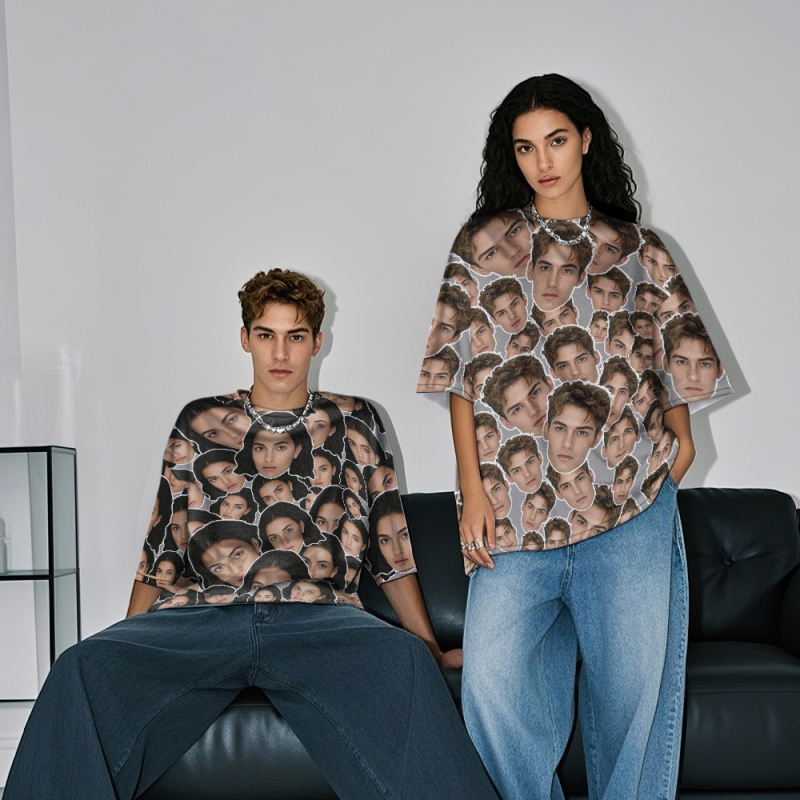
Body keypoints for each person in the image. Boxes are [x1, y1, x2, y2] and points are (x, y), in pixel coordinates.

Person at [5, 268, 497, 800]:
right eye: (266, 335)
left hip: (318, 618)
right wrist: (128, 638)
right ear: (245, 339)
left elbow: (391, 546)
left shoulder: (357, 421)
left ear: (317, 341)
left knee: (407, 664)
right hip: (202, 619)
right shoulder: (198, 420)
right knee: (79, 667)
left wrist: (428, 647)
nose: (280, 353)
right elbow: (162, 548)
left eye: (295, 336)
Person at [416, 74, 733, 800]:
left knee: (632, 708)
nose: (543, 161)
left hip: (627, 515)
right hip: (513, 513)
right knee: (493, 689)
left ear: (586, 140)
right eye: (525, 147)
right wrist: (471, 489)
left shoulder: (640, 249)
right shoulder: (483, 245)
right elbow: (462, 376)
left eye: (556, 140)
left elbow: (671, 361)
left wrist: (678, 445)